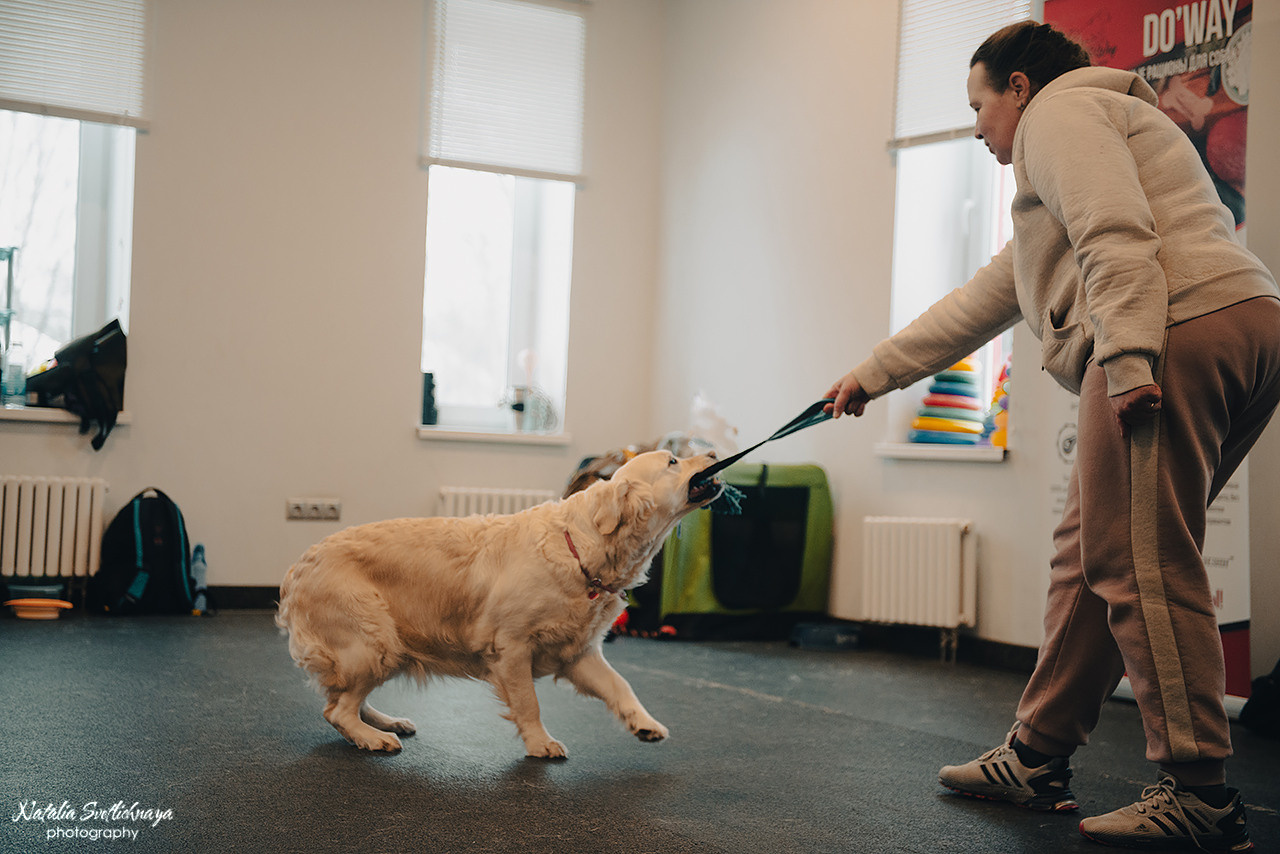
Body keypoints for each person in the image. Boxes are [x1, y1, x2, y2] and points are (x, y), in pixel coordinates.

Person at [825, 20, 1280, 852]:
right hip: (1238, 319)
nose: (976, 127)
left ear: (1020, 89)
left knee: (1142, 560)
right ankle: (1036, 755)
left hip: (1171, 325)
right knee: (1094, 552)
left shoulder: (1060, 119)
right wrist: (872, 375)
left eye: (979, 104)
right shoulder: (1074, 161)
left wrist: (1134, 356)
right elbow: (982, 300)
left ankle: (1201, 795)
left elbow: (1116, 231)